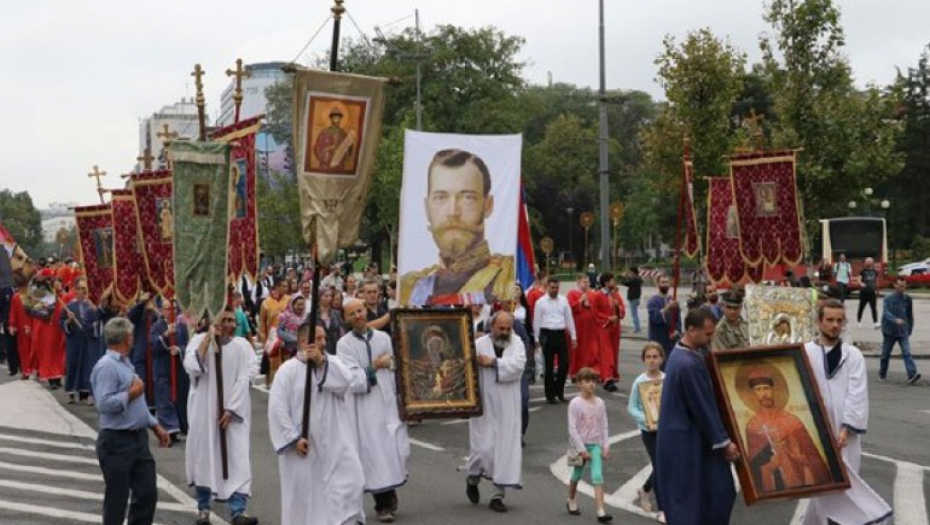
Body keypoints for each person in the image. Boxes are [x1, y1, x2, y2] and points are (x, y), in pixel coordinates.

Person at [802, 300, 893, 524]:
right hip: (816, 431)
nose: (835, 325)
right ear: (818, 322)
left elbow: (857, 393)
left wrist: (846, 428)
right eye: (829, 320)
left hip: (845, 435)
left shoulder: (853, 355)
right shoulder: (805, 352)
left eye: (839, 320)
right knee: (823, 485)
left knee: (846, 482)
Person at [268, 323, 366, 525]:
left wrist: (321, 362)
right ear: (303, 341)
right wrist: (293, 439)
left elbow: (345, 383)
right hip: (305, 447)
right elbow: (278, 409)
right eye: (318, 339)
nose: (323, 342)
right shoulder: (287, 371)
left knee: (352, 483)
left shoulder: (333, 362)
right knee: (307, 498)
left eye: (324, 339)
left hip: (336, 443)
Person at [656, 308, 740, 525]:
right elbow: (703, 407)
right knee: (705, 497)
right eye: (708, 333)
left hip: (685, 439)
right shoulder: (689, 364)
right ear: (692, 330)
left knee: (698, 496)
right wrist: (724, 442)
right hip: (688, 442)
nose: (711, 338)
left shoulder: (683, 355)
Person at [400, 149, 515, 306]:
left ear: (488, 205)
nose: (453, 212)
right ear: (427, 208)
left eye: (468, 197)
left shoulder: (508, 276)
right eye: (441, 198)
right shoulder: (410, 288)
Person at [91, 317, 171, 525]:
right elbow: (104, 404)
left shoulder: (125, 363)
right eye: (132, 335)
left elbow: (139, 404)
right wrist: (130, 394)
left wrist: (154, 424)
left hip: (138, 439)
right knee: (116, 500)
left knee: (147, 494)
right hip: (116, 441)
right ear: (127, 338)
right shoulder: (107, 366)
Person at [184, 307, 259, 525]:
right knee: (205, 458)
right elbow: (192, 366)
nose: (229, 324)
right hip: (205, 412)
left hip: (234, 415)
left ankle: (238, 511)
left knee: (238, 459)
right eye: (224, 320)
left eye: (232, 320)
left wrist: (231, 408)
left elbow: (247, 375)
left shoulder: (242, 346)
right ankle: (204, 509)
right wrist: (209, 339)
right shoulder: (198, 341)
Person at [338, 299, 410, 523]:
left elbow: (397, 365)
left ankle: (390, 490)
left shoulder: (383, 338)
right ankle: (383, 504)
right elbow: (351, 378)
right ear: (346, 319)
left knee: (395, 449)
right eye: (352, 314)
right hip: (364, 409)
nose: (358, 316)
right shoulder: (344, 345)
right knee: (374, 454)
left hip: (387, 402)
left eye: (360, 311)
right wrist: (375, 366)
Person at [465, 311, 526, 513]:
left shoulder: (517, 343)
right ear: (492, 327)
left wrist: (493, 363)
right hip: (485, 403)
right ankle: (472, 479)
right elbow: (465, 368)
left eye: (508, 328)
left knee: (505, 449)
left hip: (508, 404)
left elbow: (519, 365)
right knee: (483, 448)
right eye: (501, 328)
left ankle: (497, 495)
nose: (505, 332)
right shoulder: (479, 344)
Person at [741, 364, 831, 493]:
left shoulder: (792, 421)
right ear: (754, 394)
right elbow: (754, 465)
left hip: (799, 478)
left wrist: (802, 459)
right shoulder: (752, 426)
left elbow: (813, 456)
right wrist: (770, 466)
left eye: (766, 388)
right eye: (758, 390)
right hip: (775, 483)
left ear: (773, 390)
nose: (763, 394)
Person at [567, 367, 612, 523]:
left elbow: (604, 424)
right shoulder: (575, 403)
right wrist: (581, 449)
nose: (591, 384)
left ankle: (600, 511)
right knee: (576, 475)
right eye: (587, 381)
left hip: (594, 445)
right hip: (577, 446)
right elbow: (572, 428)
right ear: (579, 383)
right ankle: (571, 499)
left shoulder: (600, 403)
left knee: (597, 476)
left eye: (594, 381)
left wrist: (605, 445)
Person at [627, 342, 665, 521]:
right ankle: (663, 509)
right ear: (644, 360)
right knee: (660, 466)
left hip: (666, 430)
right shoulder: (639, 382)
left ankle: (644, 489)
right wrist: (646, 420)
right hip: (649, 431)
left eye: (655, 357)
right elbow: (632, 407)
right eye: (648, 357)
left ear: (661, 359)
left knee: (664, 466)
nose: (652, 360)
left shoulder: (667, 379)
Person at [150, 299, 190, 441]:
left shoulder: (182, 326)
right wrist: (165, 335)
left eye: (173, 308)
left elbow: (189, 345)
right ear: (161, 311)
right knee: (164, 397)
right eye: (167, 309)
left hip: (178, 368)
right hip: (162, 367)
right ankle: (169, 428)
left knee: (181, 397)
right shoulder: (157, 326)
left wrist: (179, 349)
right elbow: (153, 345)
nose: (170, 312)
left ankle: (181, 425)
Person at [533, 276, 577, 404]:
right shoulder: (540, 302)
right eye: (552, 287)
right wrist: (536, 339)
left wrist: (573, 336)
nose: (555, 290)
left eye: (557, 287)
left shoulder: (563, 300)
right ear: (547, 287)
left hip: (560, 334)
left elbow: (569, 318)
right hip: (547, 334)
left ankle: (559, 391)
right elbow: (536, 321)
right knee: (549, 367)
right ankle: (550, 395)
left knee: (564, 364)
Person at [61, 277, 100, 404]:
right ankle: (71, 391)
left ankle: (87, 393)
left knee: (88, 365)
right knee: (73, 363)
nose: (82, 291)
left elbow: (99, 320)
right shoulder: (69, 306)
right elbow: (61, 323)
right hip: (74, 340)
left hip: (89, 339)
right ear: (75, 290)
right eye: (80, 288)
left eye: (85, 289)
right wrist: (69, 321)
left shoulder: (92, 305)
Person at [880, 276, 921, 383]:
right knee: (885, 354)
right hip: (889, 330)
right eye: (900, 286)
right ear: (895, 285)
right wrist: (895, 319)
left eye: (904, 286)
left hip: (903, 331)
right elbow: (886, 313)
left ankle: (912, 374)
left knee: (907, 352)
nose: (902, 288)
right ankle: (882, 374)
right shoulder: (888, 299)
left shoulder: (908, 299)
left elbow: (909, 315)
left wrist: (910, 328)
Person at [593, 272, 624, 392]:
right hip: (604, 328)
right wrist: (607, 318)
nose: (614, 283)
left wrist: (618, 308)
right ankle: (607, 378)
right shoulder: (598, 296)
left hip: (615, 328)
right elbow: (595, 312)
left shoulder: (616, 295)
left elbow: (622, 310)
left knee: (614, 352)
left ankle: (612, 375)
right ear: (606, 283)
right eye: (612, 280)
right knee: (607, 353)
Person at [128, 293, 159, 409]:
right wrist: (142, 303)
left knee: (156, 380)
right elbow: (131, 317)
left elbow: (163, 319)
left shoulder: (157, 311)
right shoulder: (139, 310)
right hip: (140, 351)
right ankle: (141, 405)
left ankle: (154, 405)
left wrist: (154, 309)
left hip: (154, 352)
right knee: (140, 379)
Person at [567, 273, 598, 379]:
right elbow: (570, 308)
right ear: (578, 282)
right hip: (577, 325)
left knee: (588, 349)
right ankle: (574, 371)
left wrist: (589, 305)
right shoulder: (572, 294)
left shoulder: (592, 294)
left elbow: (596, 309)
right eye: (584, 282)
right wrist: (580, 302)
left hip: (589, 327)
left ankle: (587, 371)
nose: (587, 284)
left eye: (588, 282)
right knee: (577, 350)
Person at [647, 275, 681, 361]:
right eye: (663, 282)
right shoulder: (652, 301)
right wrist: (668, 307)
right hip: (658, 338)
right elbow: (655, 318)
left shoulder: (673, 300)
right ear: (657, 284)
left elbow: (678, 319)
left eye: (667, 282)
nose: (665, 284)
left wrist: (676, 331)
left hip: (671, 341)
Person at [313, 106, 354, 172]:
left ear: (340, 119)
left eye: (338, 118)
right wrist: (328, 149)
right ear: (331, 119)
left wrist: (349, 144)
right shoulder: (324, 132)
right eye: (334, 117)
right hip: (326, 165)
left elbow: (348, 151)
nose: (336, 119)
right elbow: (317, 148)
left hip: (339, 165)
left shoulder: (343, 134)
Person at [317, 287, 345, 355]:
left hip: (335, 347)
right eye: (326, 296)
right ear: (320, 298)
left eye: (330, 296)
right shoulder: (313, 315)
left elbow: (341, 330)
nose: (329, 298)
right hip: (320, 347)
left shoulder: (336, 314)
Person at [857, 257, 879, 328]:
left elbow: (876, 280)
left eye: (870, 261)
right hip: (864, 292)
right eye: (868, 261)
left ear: (872, 263)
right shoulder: (862, 271)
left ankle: (875, 322)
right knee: (861, 307)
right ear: (865, 263)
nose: (869, 263)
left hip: (872, 292)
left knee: (873, 308)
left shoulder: (875, 271)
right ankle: (859, 321)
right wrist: (861, 283)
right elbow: (859, 279)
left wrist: (877, 289)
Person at [620, 267, 643, 334]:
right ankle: (637, 327)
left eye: (630, 272)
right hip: (636, 298)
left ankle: (637, 328)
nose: (629, 273)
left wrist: (623, 277)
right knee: (635, 313)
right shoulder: (638, 278)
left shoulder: (635, 279)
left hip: (633, 298)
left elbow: (626, 283)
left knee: (634, 314)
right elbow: (630, 282)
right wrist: (627, 277)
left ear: (633, 272)